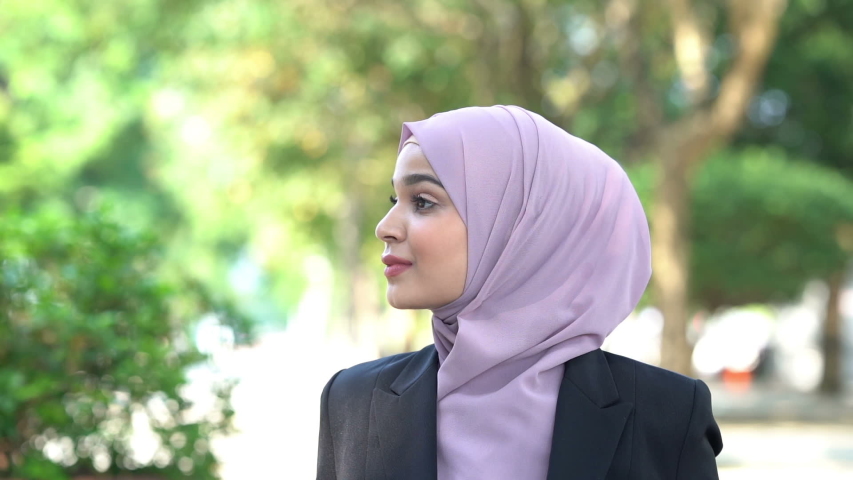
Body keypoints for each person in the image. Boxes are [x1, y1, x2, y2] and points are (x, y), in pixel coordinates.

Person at [316, 105, 723, 480]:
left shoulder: (668, 414)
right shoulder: (352, 403)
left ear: (522, 230)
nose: (385, 227)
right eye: (394, 199)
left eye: (422, 202)